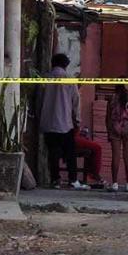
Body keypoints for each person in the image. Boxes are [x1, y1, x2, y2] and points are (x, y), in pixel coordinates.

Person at [39, 53, 87, 189]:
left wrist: (40, 117)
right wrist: (77, 120)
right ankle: (73, 180)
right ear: (65, 65)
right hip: (65, 124)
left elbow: (39, 101)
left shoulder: (45, 79)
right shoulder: (69, 80)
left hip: (48, 123)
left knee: (53, 153)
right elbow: (76, 102)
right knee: (70, 153)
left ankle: (56, 180)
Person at [105, 84, 128, 192]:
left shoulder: (111, 98)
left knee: (115, 156)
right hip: (126, 128)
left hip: (114, 128)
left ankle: (115, 183)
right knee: (127, 156)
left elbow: (107, 117)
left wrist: (108, 130)